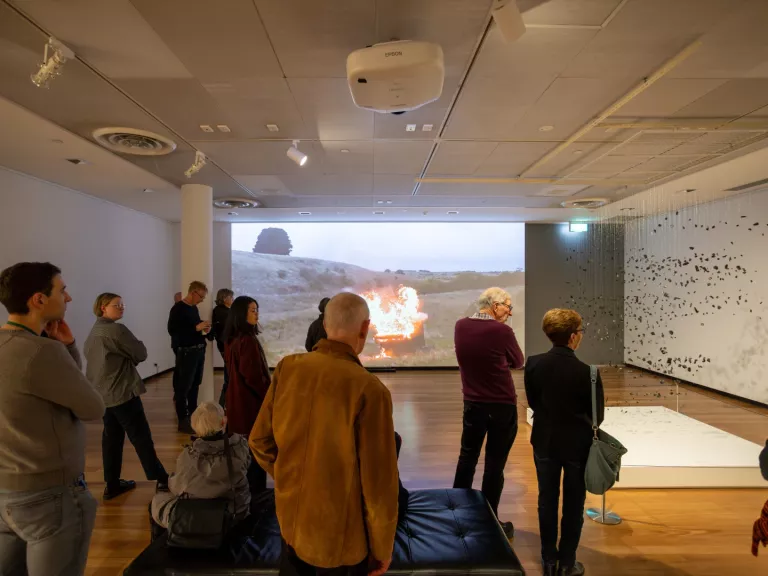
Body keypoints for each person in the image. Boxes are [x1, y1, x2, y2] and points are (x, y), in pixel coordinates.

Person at [250, 292, 399, 576]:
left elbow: (259, 441)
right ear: (365, 327)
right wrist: (382, 549)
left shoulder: (288, 368)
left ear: (325, 325)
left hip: (292, 525)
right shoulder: (370, 389)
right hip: (341, 543)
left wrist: (291, 476)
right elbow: (379, 485)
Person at [0, 262, 106, 575]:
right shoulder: (41, 351)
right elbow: (92, 407)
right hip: (49, 497)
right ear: (39, 300)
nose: (69, 298)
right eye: (62, 290)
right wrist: (68, 349)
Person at [524, 309, 604, 576]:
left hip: (545, 441)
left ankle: (548, 560)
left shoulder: (533, 364)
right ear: (572, 337)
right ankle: (567, 561)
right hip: (577, 445)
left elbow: (534, 402)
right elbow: (598, 416)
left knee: (547, 498)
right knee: (574, 501)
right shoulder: (589, 373)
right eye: (580, 331)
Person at [453, 287, 524, 538]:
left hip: (472, 404)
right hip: (501, 406)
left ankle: (457, 515)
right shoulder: (501, 331)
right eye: (508, 306)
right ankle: (490, 522)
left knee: (467, 459)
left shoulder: (460, 326)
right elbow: (518, 361)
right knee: (494, 465)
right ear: (495, 305)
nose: (510, 312)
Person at [84, 293, 169, 500]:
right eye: (117, 305)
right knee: (141, 437)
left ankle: (112, 484)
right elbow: (140, 353)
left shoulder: (95, 330)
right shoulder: (116, 330)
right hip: (121, 392)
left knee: (111, 439)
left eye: (123, 304)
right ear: (103, 307)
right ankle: (162, 479)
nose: (122, 307)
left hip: (103, 395)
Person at [151, 402, 251, 529]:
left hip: (196, 516)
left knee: (157, 501)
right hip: (234, 513)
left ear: (195, 427)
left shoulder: (187, 456)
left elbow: (177, 488)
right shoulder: (240, 447)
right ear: (223, 422)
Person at [223, 296, 270, 493]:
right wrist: (269, 396)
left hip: (238, 402)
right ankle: (255, 496)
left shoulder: (233, 339)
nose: (256, 313)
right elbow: (253, 377)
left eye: (257, 309)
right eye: (252, 310)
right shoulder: (247, 341)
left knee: (244, 452)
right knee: (254, 452)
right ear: (241, 314)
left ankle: (248, 494)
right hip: (249, 405)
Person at [168, 281, 212, 434]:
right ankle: (183, 420)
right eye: (201, 296)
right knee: (183, 387)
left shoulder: (193, 308)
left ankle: (193, 416)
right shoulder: (178, 309)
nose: (201, 299)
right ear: (193, 292)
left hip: (198, 350)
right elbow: (173, 330)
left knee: (195, 384)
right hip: (186, 352)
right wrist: (196, 328)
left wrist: (202, 326)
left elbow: (193, 326)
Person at [212, 288, 234, 406]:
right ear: (225, 298)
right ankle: (222, 405)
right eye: (231, 297)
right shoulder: (222, 312)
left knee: (229, 376)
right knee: (229, 377)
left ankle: (223, 404)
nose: (232, 300)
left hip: (225, 347)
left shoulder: (222, 311)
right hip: (226, 347)